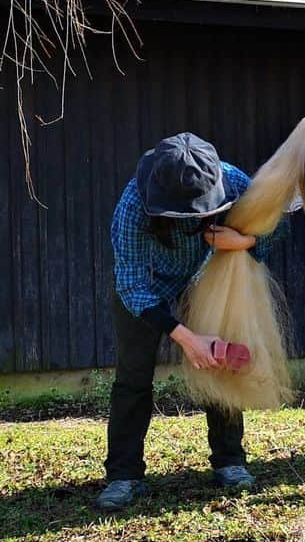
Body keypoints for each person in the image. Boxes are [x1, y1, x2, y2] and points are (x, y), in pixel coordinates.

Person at [97, 132, 282, 511]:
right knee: (133, 377)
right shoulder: (132, 204)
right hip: (149, 287)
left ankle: (230, 463)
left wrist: (245, 243)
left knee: (222, 364)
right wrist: (186, 338)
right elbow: (131, 286)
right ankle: (123, 475)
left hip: (207, 281)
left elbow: (278, 226)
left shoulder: (234, 180)